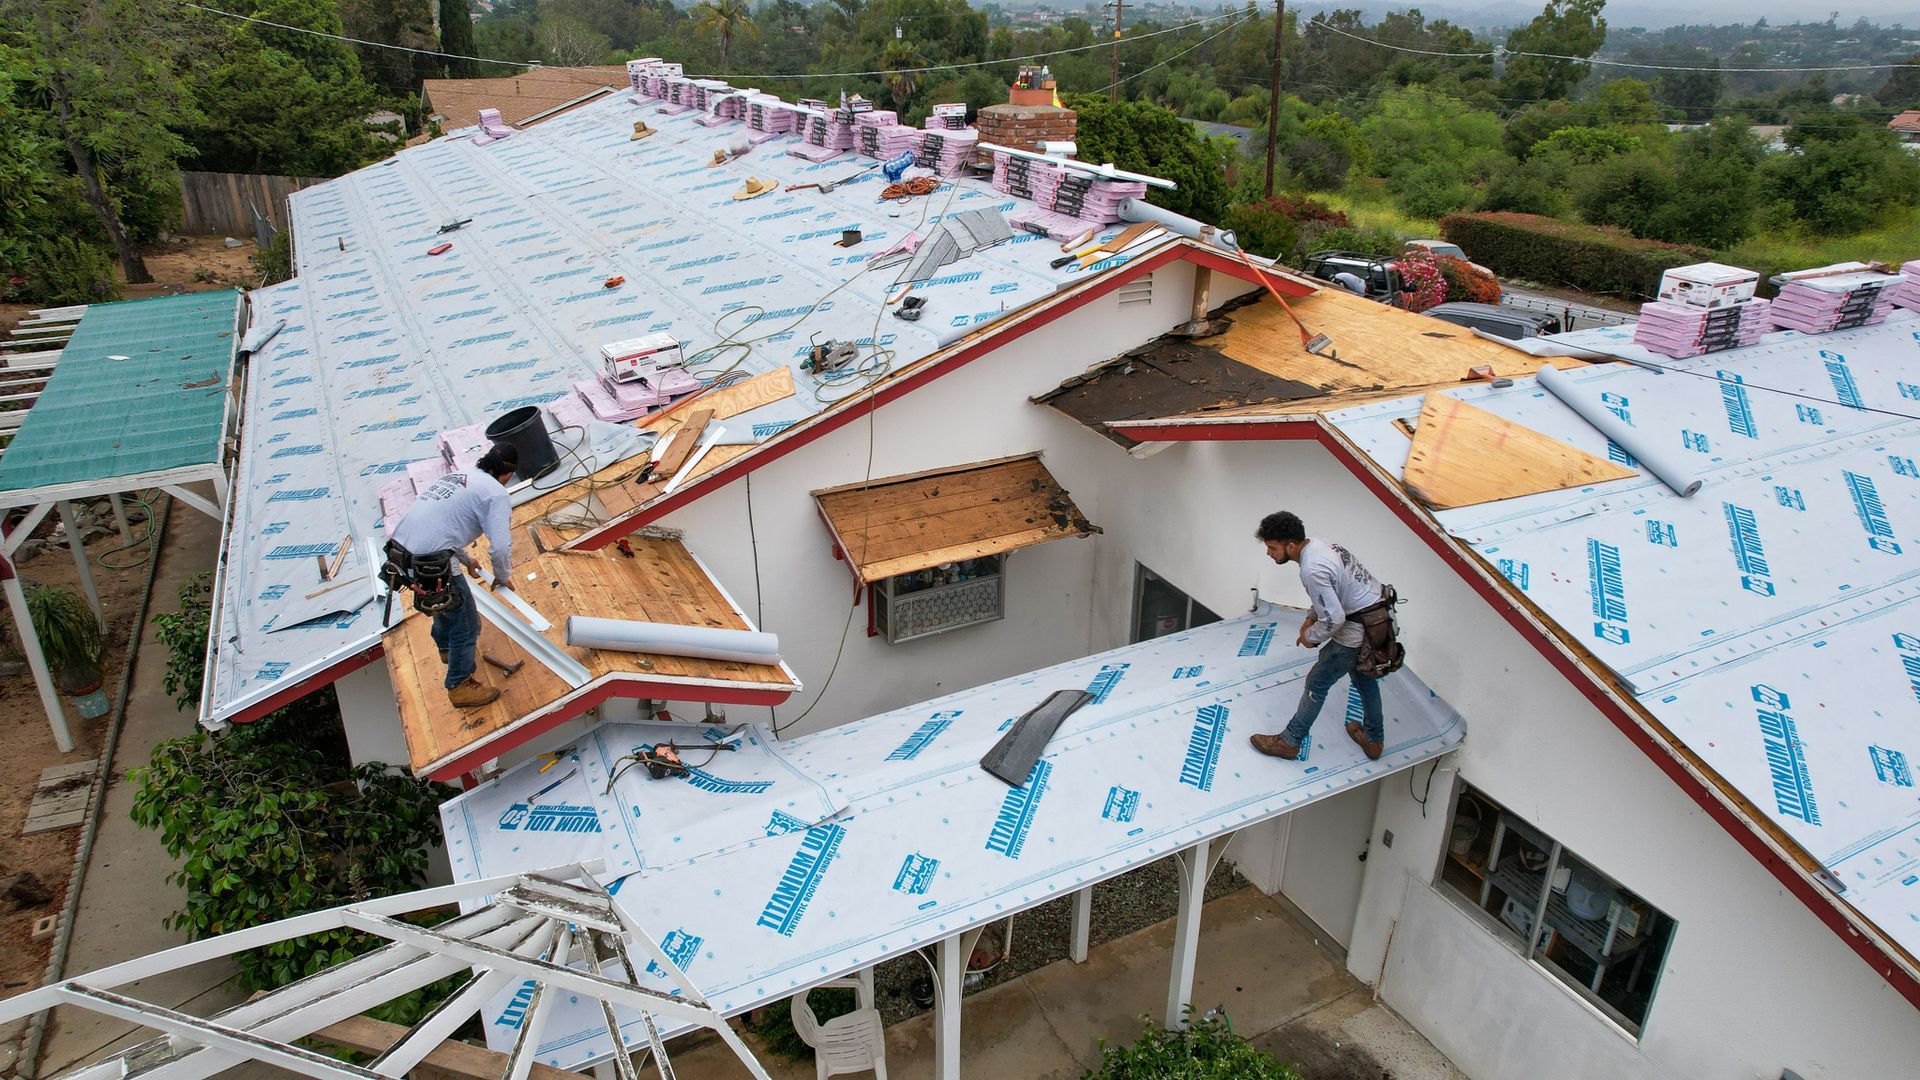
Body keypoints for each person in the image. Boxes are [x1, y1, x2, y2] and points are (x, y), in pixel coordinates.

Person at [1247, 510, 1386, 761]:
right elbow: (1335, 591)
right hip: (1378, 619)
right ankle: (1374, 740)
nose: (1269, 553)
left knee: (1317, 684)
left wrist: (1310, 636)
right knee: (1365, 680)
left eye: (1272, 548)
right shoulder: (1321, 545)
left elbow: (1334, 619)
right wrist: (1312, 616)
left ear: (1290, 545)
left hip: (1356, 629)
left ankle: (1289, 741)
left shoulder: (1311, 568)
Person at [389, 442, 518, 708]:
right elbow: (501, 546)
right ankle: (458, 685)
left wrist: (467, 559)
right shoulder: (495, 494)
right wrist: (502, 576)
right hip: (432, 562)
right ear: (508, 474)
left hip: (401, 555)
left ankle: (447, 650)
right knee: (467, 624)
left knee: (442, 605)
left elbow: (441, 525)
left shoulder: (460, 477)